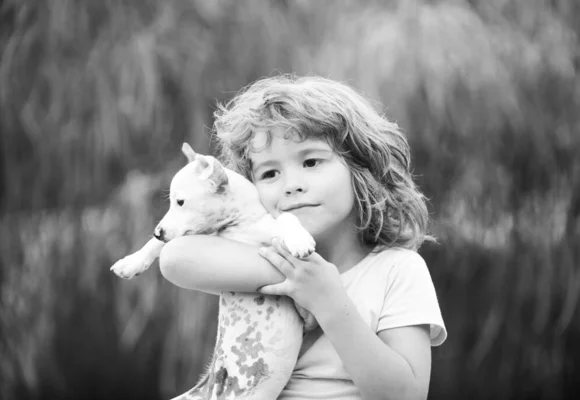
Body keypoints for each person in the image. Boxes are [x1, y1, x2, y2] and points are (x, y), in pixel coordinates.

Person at [159, 74, 447, 400]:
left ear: (360, 168)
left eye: (311, 161)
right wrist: (295, 274)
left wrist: (327, 300)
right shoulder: (255, 254)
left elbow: (406, 395)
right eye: (269, 173)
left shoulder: (397, 270)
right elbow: (174, 258)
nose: (291, 184)